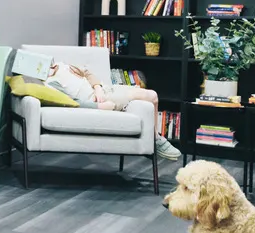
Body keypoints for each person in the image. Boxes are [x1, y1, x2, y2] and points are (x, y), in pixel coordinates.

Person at [42, 59, 182, 160]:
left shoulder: (62, 66)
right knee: (152, 96)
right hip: (103, 100)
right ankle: (156, 139)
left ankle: (154, 138)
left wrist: (98, 88)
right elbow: (72, 102)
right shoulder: (49, 84)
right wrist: (99, 106)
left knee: (150, 95)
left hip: (106, 89)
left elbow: (87, 73)